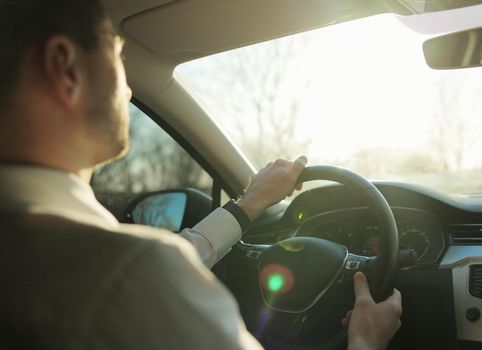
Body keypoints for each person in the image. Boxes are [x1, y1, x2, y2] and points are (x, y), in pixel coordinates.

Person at [0, 1, 402, 349]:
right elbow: (140, 275)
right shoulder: (132, 273)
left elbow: (149, 274)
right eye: (118, 57)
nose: (126, 91)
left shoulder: (66, 262)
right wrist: (365, 341)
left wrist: (249, 205)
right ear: (64, 67)